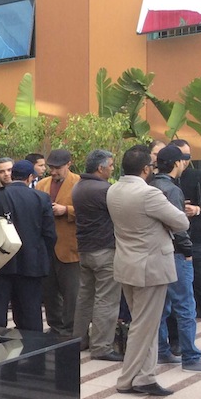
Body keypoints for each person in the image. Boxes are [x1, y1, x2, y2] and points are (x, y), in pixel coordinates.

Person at [108, 144, 189, 396]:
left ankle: (145, 376)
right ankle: (127, 379)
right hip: (150, 267)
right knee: (144, 326)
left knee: (147, 324)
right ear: (146, 169)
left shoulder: (113, 189)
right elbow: (181, 221)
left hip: (127, 264)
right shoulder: (148, 194)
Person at [0, 159, 55, 331]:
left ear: (12, 175)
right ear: (30, 177)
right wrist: (41, 256)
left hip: (0, 262)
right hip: (31, 263)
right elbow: (50, 234)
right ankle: (32, 344)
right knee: (31, 309)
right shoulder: (41, 198)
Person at [150, 145, 201, 371]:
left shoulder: (151, 185)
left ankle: (162, 350)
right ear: (176, 163)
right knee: (185, 306)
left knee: (162, 305)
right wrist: (188, 252)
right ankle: (190, 356)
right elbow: (178, 228)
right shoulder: (172, 190)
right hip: (175, 253)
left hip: (155, 252)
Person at [72, 149, 123, 361]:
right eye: (110, 165)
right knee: (106, 299)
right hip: (105, 250)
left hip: (85, 250)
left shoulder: (78, 186)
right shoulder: (104, 190)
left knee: (85, 297)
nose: (112, 168)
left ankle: (78, 339)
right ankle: (101, 346)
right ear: (100, 168)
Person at [36, 148, 80, 336]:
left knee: (72, 293)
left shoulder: (78, 183)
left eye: (57, 168)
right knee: (50, 292)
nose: (53, 172)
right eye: (51, 168)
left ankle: (72, 330)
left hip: (69, 247)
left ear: (68, 164)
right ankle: (55, 326)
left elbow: (88, 210)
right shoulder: (42, 184)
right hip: (47, 248)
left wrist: (66, 210)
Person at [177, 139, 201, 329]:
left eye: (188, 156)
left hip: (198, 239)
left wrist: (198, 210)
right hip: (174, 243)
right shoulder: (163, 181)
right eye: (182, 156)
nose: (185, 160)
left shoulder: (199, 176)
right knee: (178, 296)